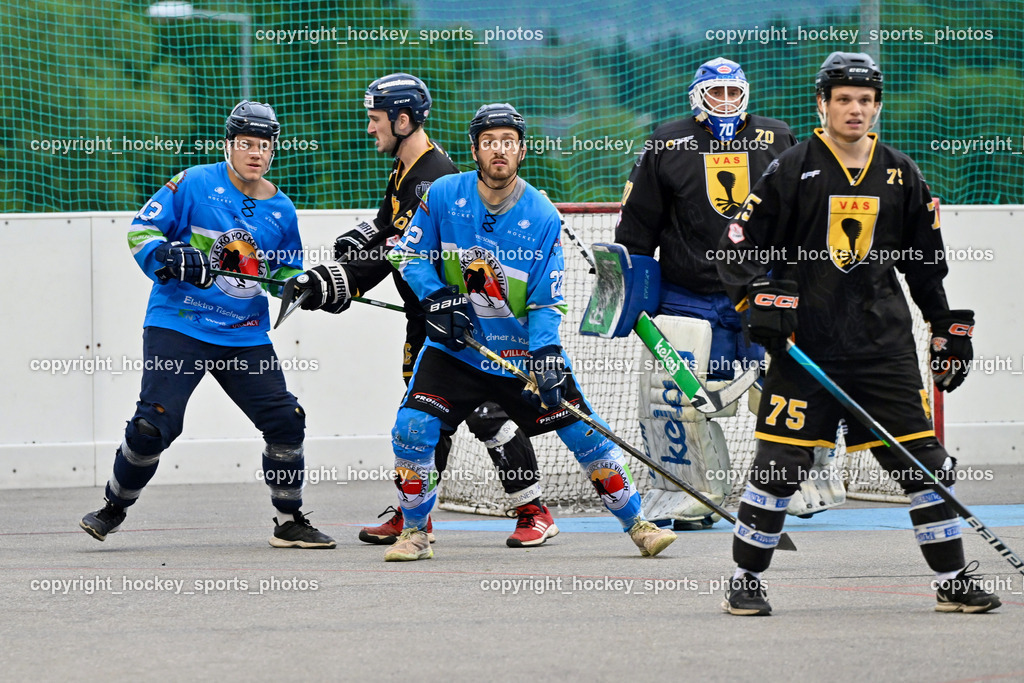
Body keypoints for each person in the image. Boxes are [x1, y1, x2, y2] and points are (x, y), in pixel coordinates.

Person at [716, 52, 1000, 615]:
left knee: (924, 465)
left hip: (882, 349)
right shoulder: (790, 167)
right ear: (822, 104)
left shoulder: (901, 172)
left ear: (877, 107)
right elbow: (736, 245)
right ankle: (745, 581)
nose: (855, 109)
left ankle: (952, 581)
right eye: (844, 99)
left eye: (865, 100)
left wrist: (945, 328)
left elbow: (925, 265)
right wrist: (756, 300)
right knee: (779, 469)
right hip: (805, 348)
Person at [376, 102, 678, 561]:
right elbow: (408, 254)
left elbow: (546, 301)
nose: (499, 150)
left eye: (508, 142)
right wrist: (436, 297)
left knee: (586, 435)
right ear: (474, 150)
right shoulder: (443, 195)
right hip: (456, 351)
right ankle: (414, 533)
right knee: (411, 428)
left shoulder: (541, 215)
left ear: (521, 151)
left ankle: (638, 525)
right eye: (489, 142)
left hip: (519, 354)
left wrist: (546, 353)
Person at [291, 74, 554, 547]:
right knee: (426, 417)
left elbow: (400, 251)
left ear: (402, 120)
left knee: (487, 416)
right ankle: (416, 515)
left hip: (459, 319)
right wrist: (354, 249)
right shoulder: (406, 169)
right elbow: (386, 230)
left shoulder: (431, 178)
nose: (370, 128)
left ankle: (533, 510)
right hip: (426, 319)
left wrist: (336, 281)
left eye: (375, 119)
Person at [79, 101, 335, 549]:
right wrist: (168, 254)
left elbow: (282, 274)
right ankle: (112, 508)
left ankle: (288, 520)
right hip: (180, 324)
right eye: (246, 144)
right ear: (228, 145)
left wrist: (308, 287)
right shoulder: (195, 182)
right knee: (151, 427)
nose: (255, 153)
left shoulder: (282, 209)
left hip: (243, 334)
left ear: (273, 151)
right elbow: (141, 231)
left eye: (264, 146)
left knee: (286, 420)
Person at [614, 58, 815, 530]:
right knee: (680, 398)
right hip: (688, 294)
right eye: (715, 92)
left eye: (732, 92)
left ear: (745, 94)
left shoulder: (777, 137)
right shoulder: (668, 142)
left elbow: (801, 217)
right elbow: (638, 223)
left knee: (783, 389)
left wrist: (801, 281)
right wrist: (626, 283)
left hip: (759, 291)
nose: (725, 101)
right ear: (697, 97)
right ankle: (696, 492)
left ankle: (799, 481)